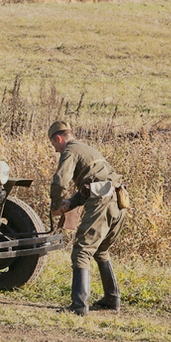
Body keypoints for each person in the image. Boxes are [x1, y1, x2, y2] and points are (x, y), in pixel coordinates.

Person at [48, 120, 127, 316]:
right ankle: (111, 298)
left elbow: (60, 181)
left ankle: (78, 306)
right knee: (100, 250)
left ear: (59, 138)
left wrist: (56, 205)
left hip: (102, 202)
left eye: (54, 145)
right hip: (119, 201)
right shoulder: (87, 150)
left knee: (81, 251)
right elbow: (94, 184)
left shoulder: (70, 151)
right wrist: (71, 203)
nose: (56, 151)